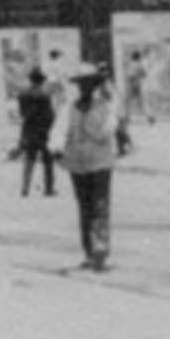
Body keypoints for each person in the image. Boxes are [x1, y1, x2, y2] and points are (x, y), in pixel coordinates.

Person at [60, 63, 118, 271]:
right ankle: (88, 251)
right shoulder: (70, 107)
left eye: (88, 85)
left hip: (100, 162)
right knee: (84, 207)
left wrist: (86, 128)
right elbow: (61, 131)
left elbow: (106, 132)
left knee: (100, 206)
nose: (84, 88)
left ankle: (100, 252)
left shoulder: (105, 106)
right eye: (81, 85)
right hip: (77, 163)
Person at [16, 67, 57, 197]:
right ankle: (48, 188)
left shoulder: (22, 94)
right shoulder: (44, 95)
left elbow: (22, 113)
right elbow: (50, 115)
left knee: (29, 159)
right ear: (42, 80)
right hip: (44, 131)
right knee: (48, 161)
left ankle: (25, 188)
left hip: (29, 129)